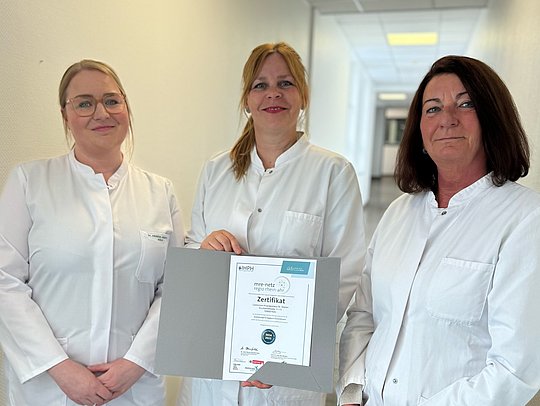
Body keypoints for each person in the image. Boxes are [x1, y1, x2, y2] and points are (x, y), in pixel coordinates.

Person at [337, 55, 540, 405]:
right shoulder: (399, 212)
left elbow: (515, 369)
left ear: (492, 118)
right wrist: (353, 392)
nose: (447, 118)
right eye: (432, 109)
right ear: (419, 129)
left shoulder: (524, 218)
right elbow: (364, 317)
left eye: (466, 104)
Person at [177, 42, 366, 406]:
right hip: (213, 366)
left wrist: (277, 350)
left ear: (304, 95)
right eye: (260, 85)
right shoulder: (216, 170)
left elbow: (344, 276)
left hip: (284, 375)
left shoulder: (332, 173)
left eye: (286, 83)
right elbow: (192, 255)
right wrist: (205, 247)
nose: (273, 94)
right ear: (247, 99)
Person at [0, 59, 184, 405]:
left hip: (133, 387)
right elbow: (5, 282)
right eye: (84, 103)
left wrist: (135, 363)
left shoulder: (159, 192)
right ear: (65, 116)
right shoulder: (29, 183)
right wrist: (59, 368)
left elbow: (174, 288)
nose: (102, 113)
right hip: (50, 388)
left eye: (112, 101)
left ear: (126, 108)